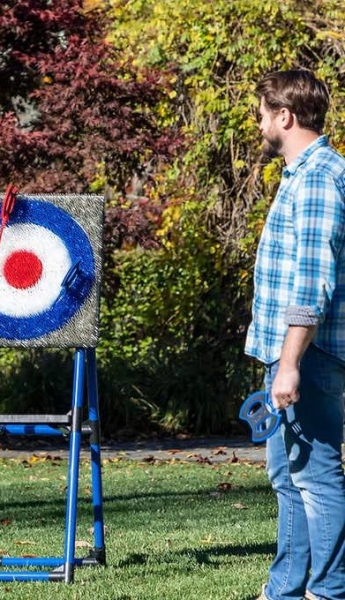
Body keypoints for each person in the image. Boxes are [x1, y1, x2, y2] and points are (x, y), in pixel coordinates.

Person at [245, 69, 345, 600]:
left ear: (285, 116)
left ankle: (328, 592)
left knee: (316, 478)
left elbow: (312, 281)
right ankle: (285, 589)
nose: (259, 123)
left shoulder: (318, 177)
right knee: (288, 479)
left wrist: (289, 364)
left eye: (263, 113)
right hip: (290, 354)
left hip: (310, 356)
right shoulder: (299, 175)